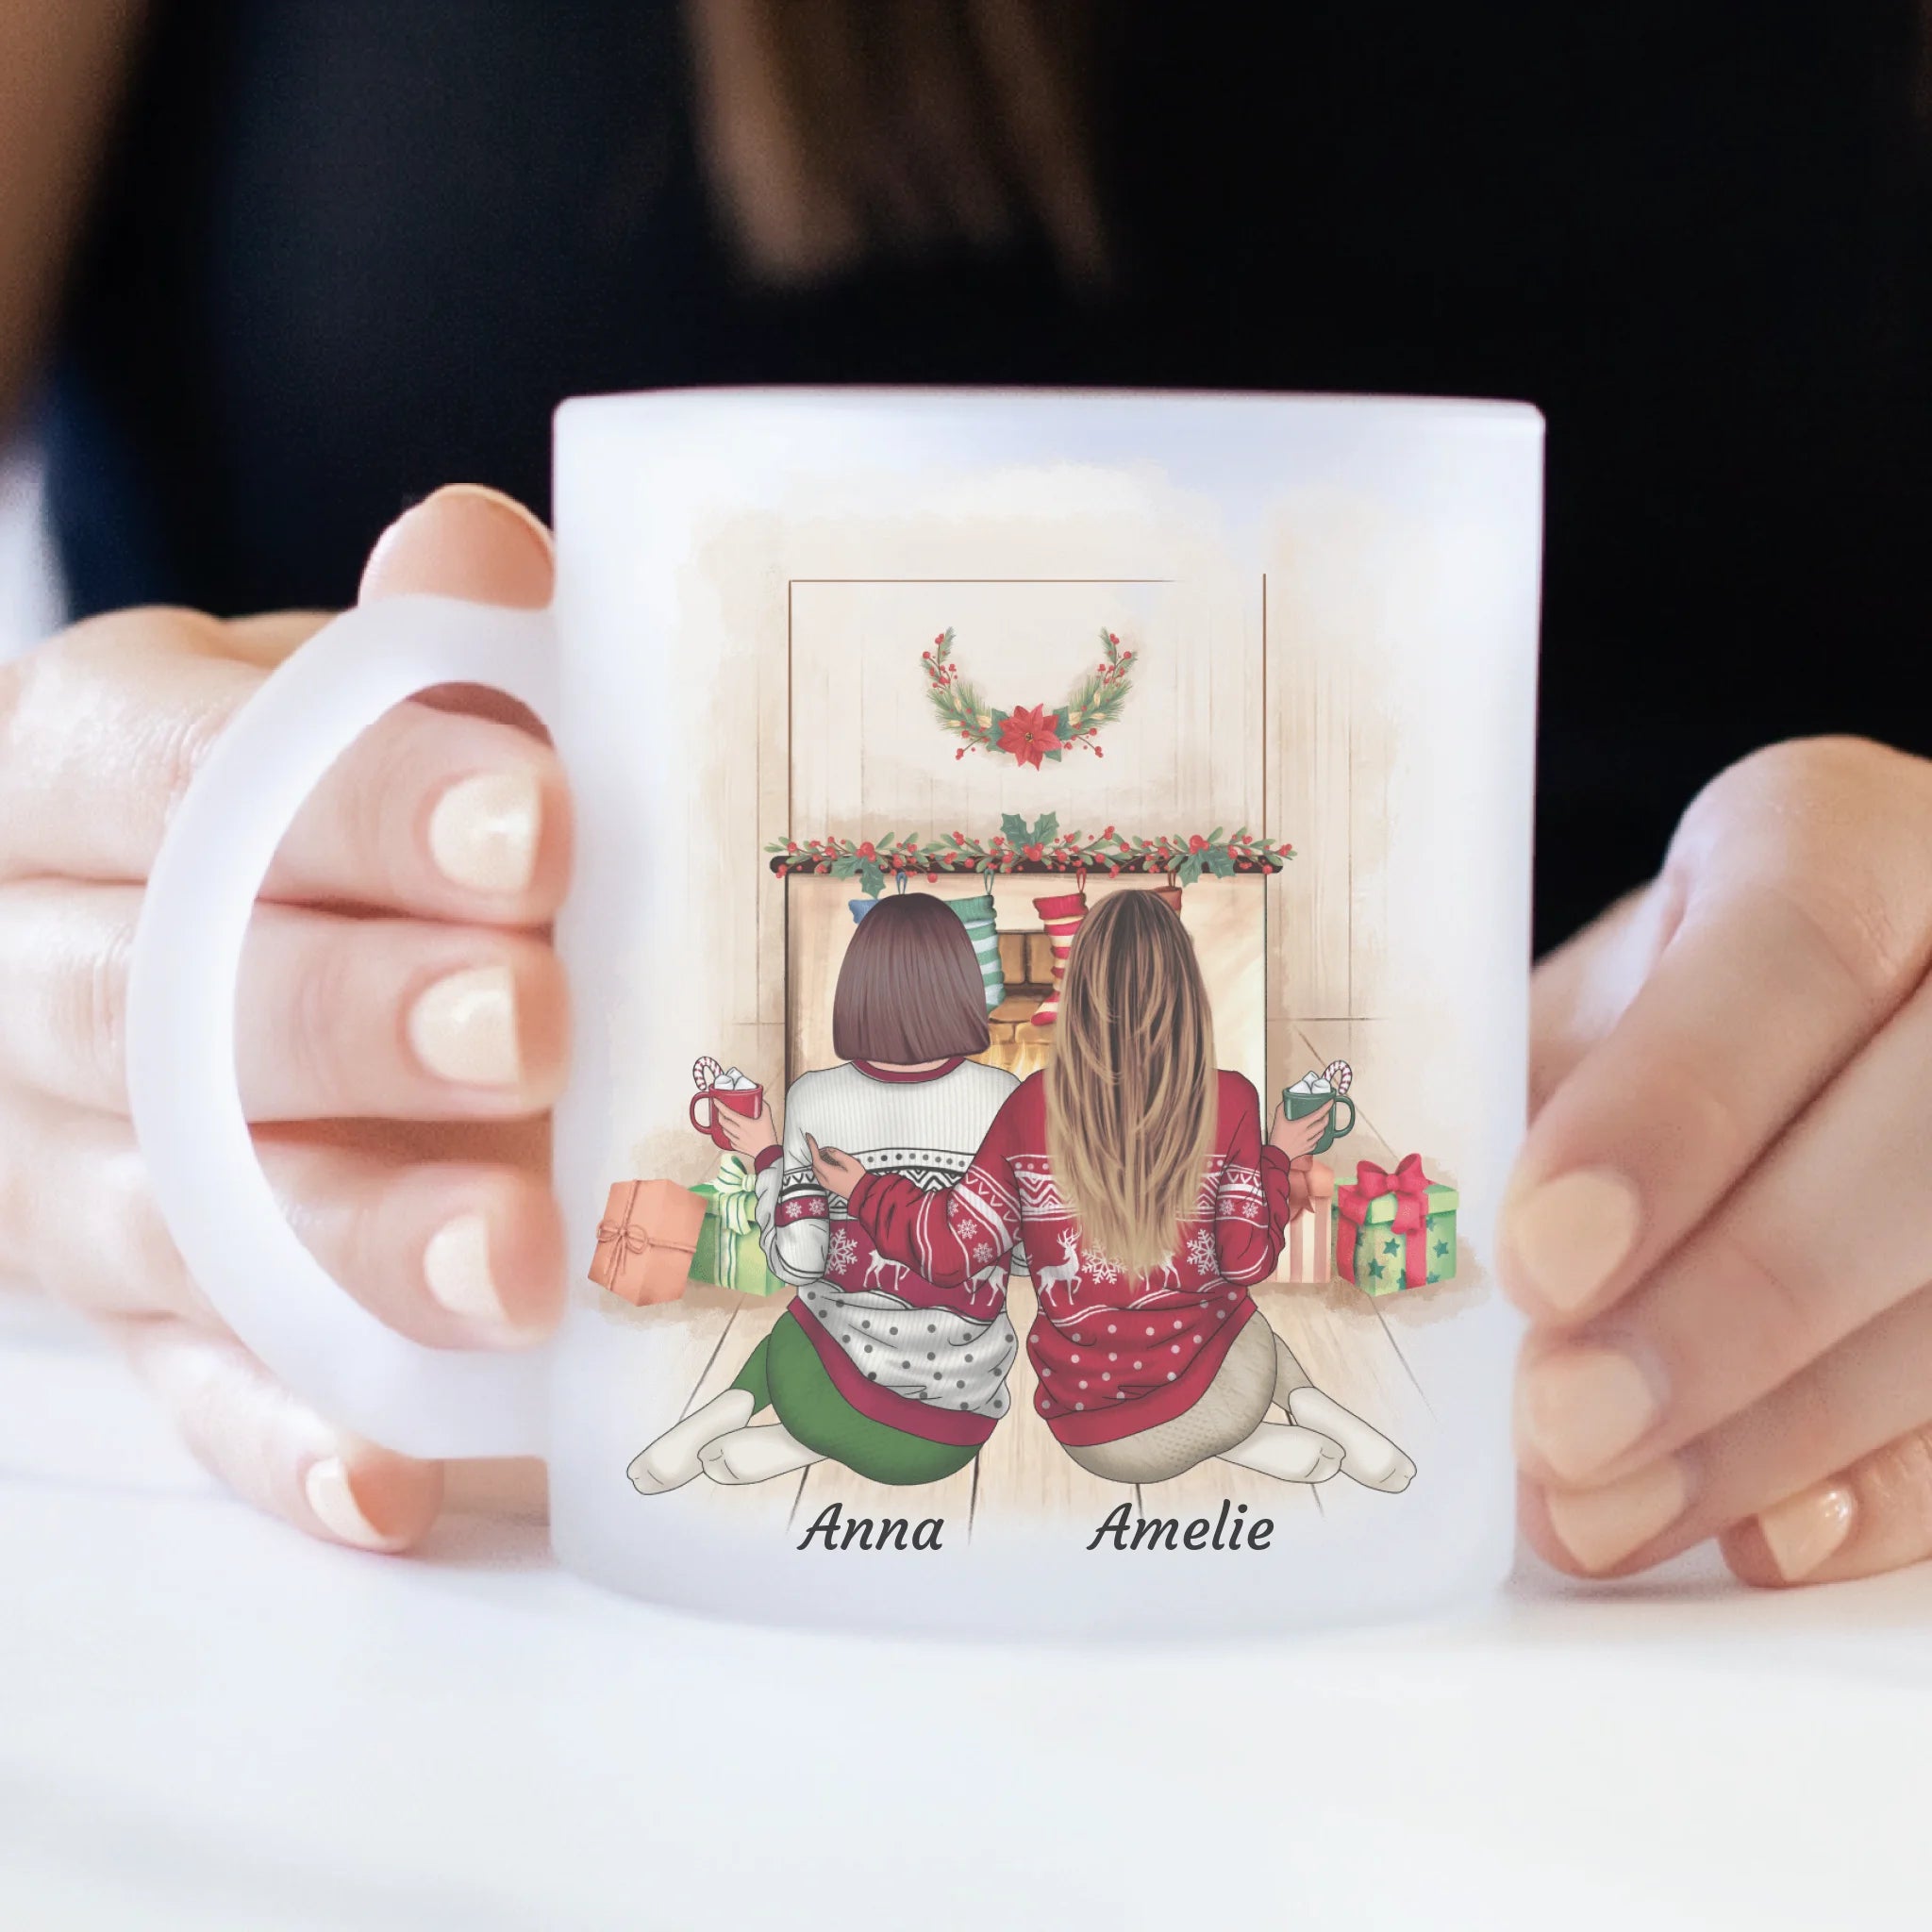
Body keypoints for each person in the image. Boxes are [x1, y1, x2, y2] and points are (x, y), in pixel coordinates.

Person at [4, 3, 1931, 1586]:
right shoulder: (1179, 1126)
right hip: (484, 1610)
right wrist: (85, 924)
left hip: (1649, 1596)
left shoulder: (928, 1136)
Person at [817, 891, 1414, 1491]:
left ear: (1079, 993)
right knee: (1233, 1317)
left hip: (1095, 1434)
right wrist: (1279, 1158)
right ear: (1186, 992)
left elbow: (949, 1252)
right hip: (1230, 1385)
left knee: (1212, 1335)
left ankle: (1262, 1440)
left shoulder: (1031, 1104)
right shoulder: (1230, 1098)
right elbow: (1247, 1260)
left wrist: (866, 1189)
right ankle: (1306, 1407)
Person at [626, 893, 1019, 1491]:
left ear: (856, 990)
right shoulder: (1004, 1096)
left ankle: (734, 1413)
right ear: (963, 988)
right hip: (949, 1435)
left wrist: (765, 1155)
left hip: (813, 1386)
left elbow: (798, 1263)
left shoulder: (817, 1097)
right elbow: (1018, 1255)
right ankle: (801, 1442)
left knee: (807, 1316)